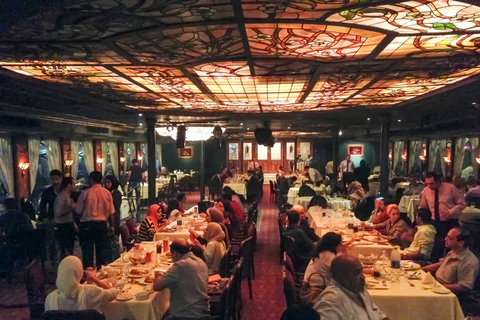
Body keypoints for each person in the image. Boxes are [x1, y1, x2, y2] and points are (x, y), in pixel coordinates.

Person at [314, 256, 389, 320]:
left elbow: (376, 312)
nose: (363, 276)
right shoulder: (331, 302)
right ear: (342, 277)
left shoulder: (357, 288)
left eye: (361, 271)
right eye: (356, 273)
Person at [153, 239, 210, 319]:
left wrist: (158, 275)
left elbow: (157, 286)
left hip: (186, 315)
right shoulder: (200, 262)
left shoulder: (181, 265)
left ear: (175, 253)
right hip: (203, 312)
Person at [422, 227, 479, 301]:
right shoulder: (452, 252)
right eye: (446, 236)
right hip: (437, 287)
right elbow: (441, 264)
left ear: (461, 242)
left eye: (450, 238)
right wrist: (420, 269)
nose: (445, 239)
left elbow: (463, 287)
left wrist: (439, 286)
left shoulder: (469, 262)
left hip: (449, 296)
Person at [419, 172, 466, 260]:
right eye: (427, 183)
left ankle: (450, 265)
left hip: (450, 222)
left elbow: (462, 203)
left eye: (432, 183)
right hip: (435, 222)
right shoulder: (426, 190)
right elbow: (423, 207)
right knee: (436, 246)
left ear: (438, 181)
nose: (429, 186)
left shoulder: (450, 188)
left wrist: (451, 211)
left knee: (450, 247)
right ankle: (435, 266)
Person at [45, 256, 117, 311]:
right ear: (79, 272)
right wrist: (94, 279)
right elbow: (114, 292)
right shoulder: (89, 293)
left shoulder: (50, 299)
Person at [75, 171, 115, 268]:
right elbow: (111, 213)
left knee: (87, 253)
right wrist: (112, 225)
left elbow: (78, 211)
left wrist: (80, 223)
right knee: (101, 253)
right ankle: (100, 274)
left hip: (87, 225)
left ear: (91, 179)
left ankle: (88, 276)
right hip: (101, 224)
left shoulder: (85, 193)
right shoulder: (107, 193)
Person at [39, 169, 62, 265]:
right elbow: (43, 206)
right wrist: (42, 219)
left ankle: (63, 261)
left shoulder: (64, 191)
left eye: (56, 179)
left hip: (63, 219)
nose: (55, 181)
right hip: (51, 218)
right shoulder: (47, 192)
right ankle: (53, 262)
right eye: (53, 179)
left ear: (60, 179)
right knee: (52, 242)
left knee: (63, 242)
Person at [54, 177, 77, 258]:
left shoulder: (68, 196)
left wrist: (73, 224)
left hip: (68, 224)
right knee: (65, 250)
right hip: (63, 226)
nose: (75, 186)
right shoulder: (61, 196)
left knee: (70, 249)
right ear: (68, 185)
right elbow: (57, 213)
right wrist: (71, 208)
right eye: (74, 184)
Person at [104, 175, 122, 260]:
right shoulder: (106, 192)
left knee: (114, 240)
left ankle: (115, 258)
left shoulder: (116, 193)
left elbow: (114, 207)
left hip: (114, 218)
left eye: (108, 182)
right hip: (106, 219)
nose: (106, 184)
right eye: (105, 182)